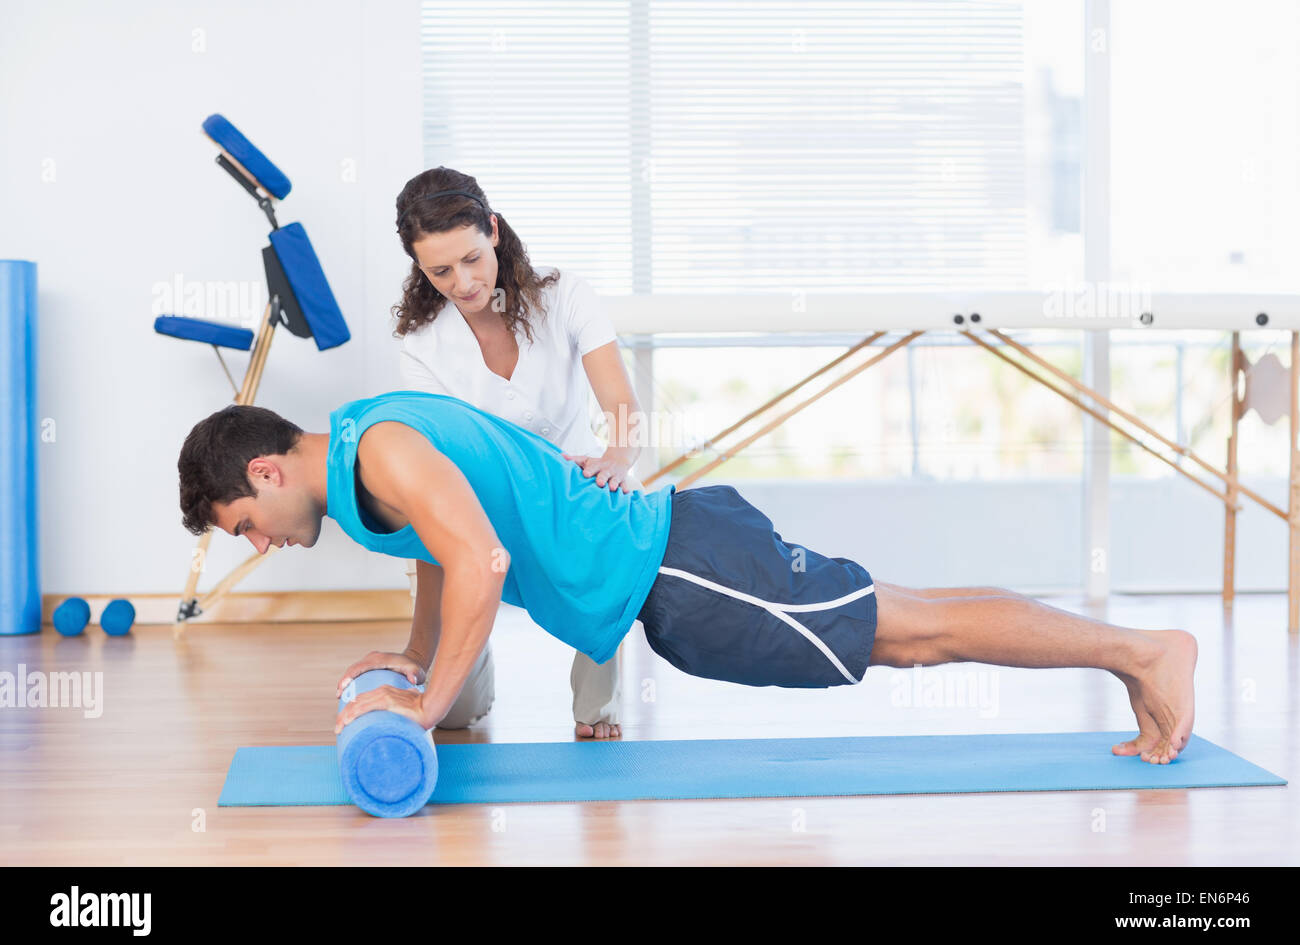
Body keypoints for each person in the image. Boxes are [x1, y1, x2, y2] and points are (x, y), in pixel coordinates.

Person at [176, 391, 1199, 765]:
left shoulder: (382, 448)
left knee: (912, 630)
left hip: (686, 567)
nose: (257, 541)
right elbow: (451, 554)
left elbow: (483, 562)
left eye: (243, 524)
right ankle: (1133, 654)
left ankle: (1142, 649)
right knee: (905, 621)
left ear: (264, 471)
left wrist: (428, 703)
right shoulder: (366, 456)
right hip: (677, 577)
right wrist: (409, 656)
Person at [388, 167, 646, 739]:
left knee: (612, 525)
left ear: (495, 232)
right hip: (481, 506)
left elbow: (621, 404)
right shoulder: (421, 345)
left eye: (472, 258)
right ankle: (463, 677)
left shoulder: (566, 294)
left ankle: (595, 710)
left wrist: (617, 459)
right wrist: (417, 646)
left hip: (572, 491)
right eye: (440, 271)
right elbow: (434, 480)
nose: (463, 282)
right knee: (456, 717)